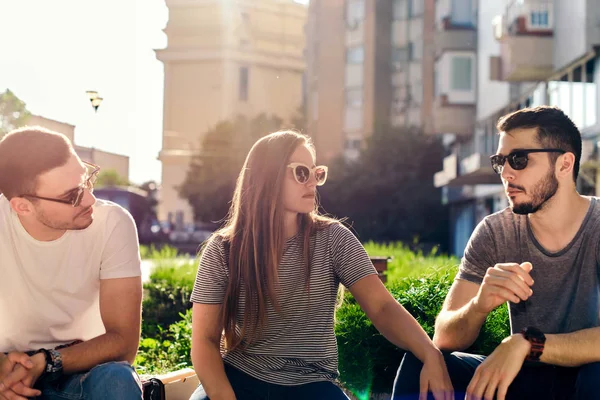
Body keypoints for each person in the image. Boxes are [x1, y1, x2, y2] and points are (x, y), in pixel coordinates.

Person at [188, 130, 453, 400]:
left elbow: (382, 307)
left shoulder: (333, 239)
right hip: (239, 378)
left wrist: (430, 354)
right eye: (302, 172)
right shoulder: (223, 249)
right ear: (268, 176)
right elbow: (204, 341)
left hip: (312, 384)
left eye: (317, 173)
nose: (313, 182)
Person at [392, 105, 600, 400]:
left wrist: (527, 344)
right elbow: (445, 336)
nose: (506, 174)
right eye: (500, 161)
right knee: (422, 361)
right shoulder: (495, 231)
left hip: (586, 381)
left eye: (519, 159)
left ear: (565, 165)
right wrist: (478, 305)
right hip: (523, 381)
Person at [0, 127, 143, 399]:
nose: (90, 198)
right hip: (7, 375)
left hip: (84, 371)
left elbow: (124, 342)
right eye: (71, 196)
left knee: (117, 380)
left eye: (86, 179)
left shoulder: (112, 222)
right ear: (22, 206)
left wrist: (46, 363)